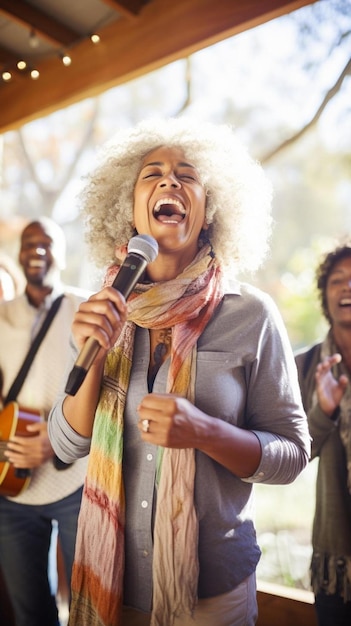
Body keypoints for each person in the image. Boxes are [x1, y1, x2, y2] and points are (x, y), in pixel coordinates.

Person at [48, 117, 311, 626]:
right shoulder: (101, 310)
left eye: (186, 175)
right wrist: (96, 352)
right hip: (111, 586)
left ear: (209, 210)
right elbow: (66, 446)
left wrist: (206, 432)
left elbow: (293, 454)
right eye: (153, 173)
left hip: (212, 598)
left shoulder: (250, 315)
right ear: (127, 209)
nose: (170, 181)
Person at [0, 217, 89, 626]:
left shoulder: (85, 311)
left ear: (62, 253)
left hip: (76, 483)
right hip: (11, 491)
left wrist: (54, 440)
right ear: (18, 254)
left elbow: (105, 396)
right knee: (30, 614)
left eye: (47, 242)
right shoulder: (1, 316)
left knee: (90, 610)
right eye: (28, 242)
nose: (37, 249)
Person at [295, 240, 351, 626]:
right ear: (325, 294)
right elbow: (294, 455)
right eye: (337, 280)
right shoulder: (306, 366)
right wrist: (324, 411)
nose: (347, 287)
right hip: (337, 560)